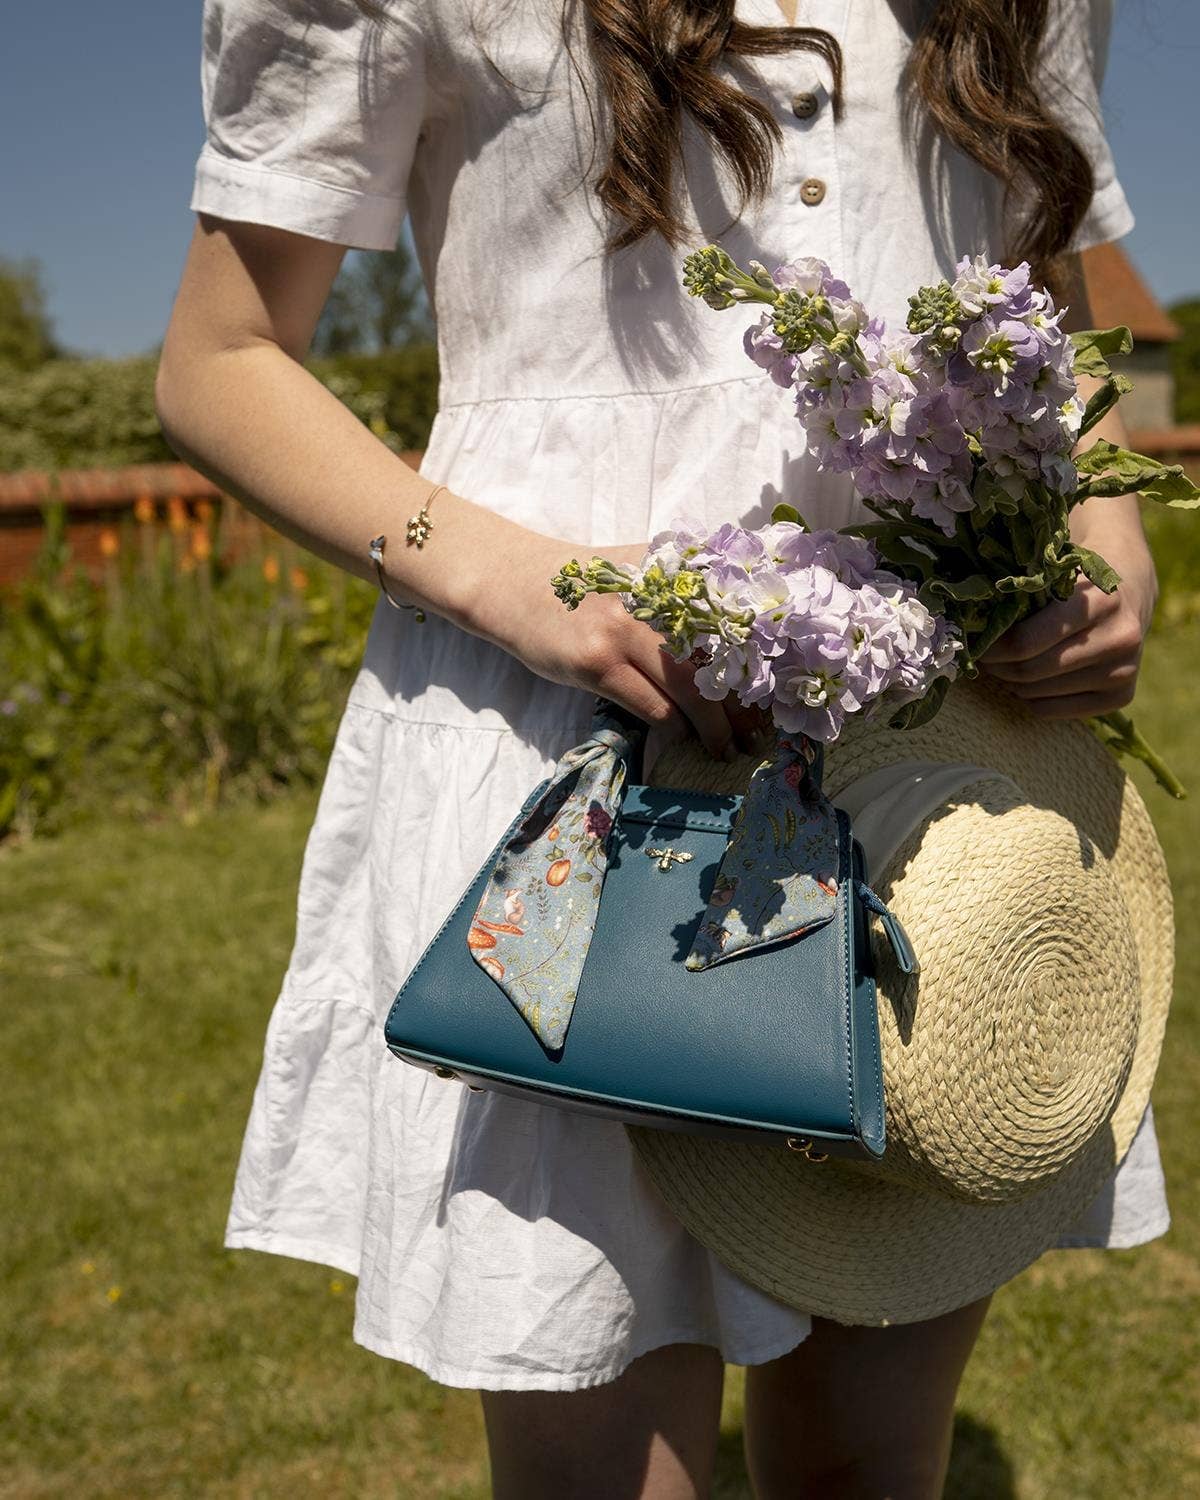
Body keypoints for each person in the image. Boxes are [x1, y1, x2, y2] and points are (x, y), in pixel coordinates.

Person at [158, 1, 1170, 1494]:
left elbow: (1059, 310)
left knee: (872, 1464)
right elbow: (218, 358)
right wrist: (526, 586)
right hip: (578, 774)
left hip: (936, 775)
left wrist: (1110, 534)